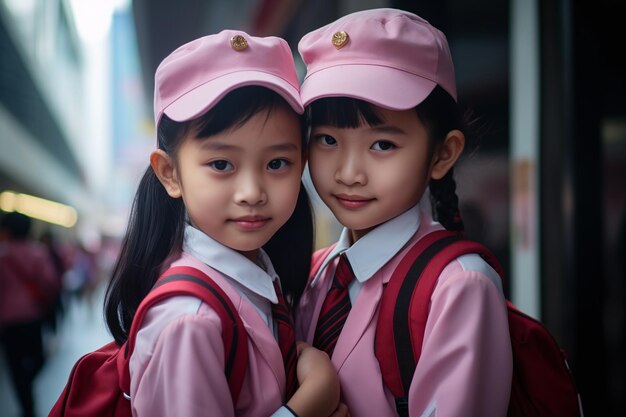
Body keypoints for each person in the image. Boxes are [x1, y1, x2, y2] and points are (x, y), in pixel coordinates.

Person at [103, 30, 345, 417]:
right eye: (221, 164)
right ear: (170, 173)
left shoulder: (258, 275)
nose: (251, 192)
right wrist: (312, 400)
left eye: (277, 163)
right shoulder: (188, 322)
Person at [295, 8, 512, 417]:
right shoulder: (315, 276)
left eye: (382, 145)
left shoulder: (459, 288)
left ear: (442, 153)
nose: (348, 173)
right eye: (326, 140)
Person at [0, 212, 57, 417]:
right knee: (39, 358)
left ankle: (27, 405)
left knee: (15, 367)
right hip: (33, 317)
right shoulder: (38, 253)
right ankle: (28, 399)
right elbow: (50, 283)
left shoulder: (2, 255)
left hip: (7, 322)